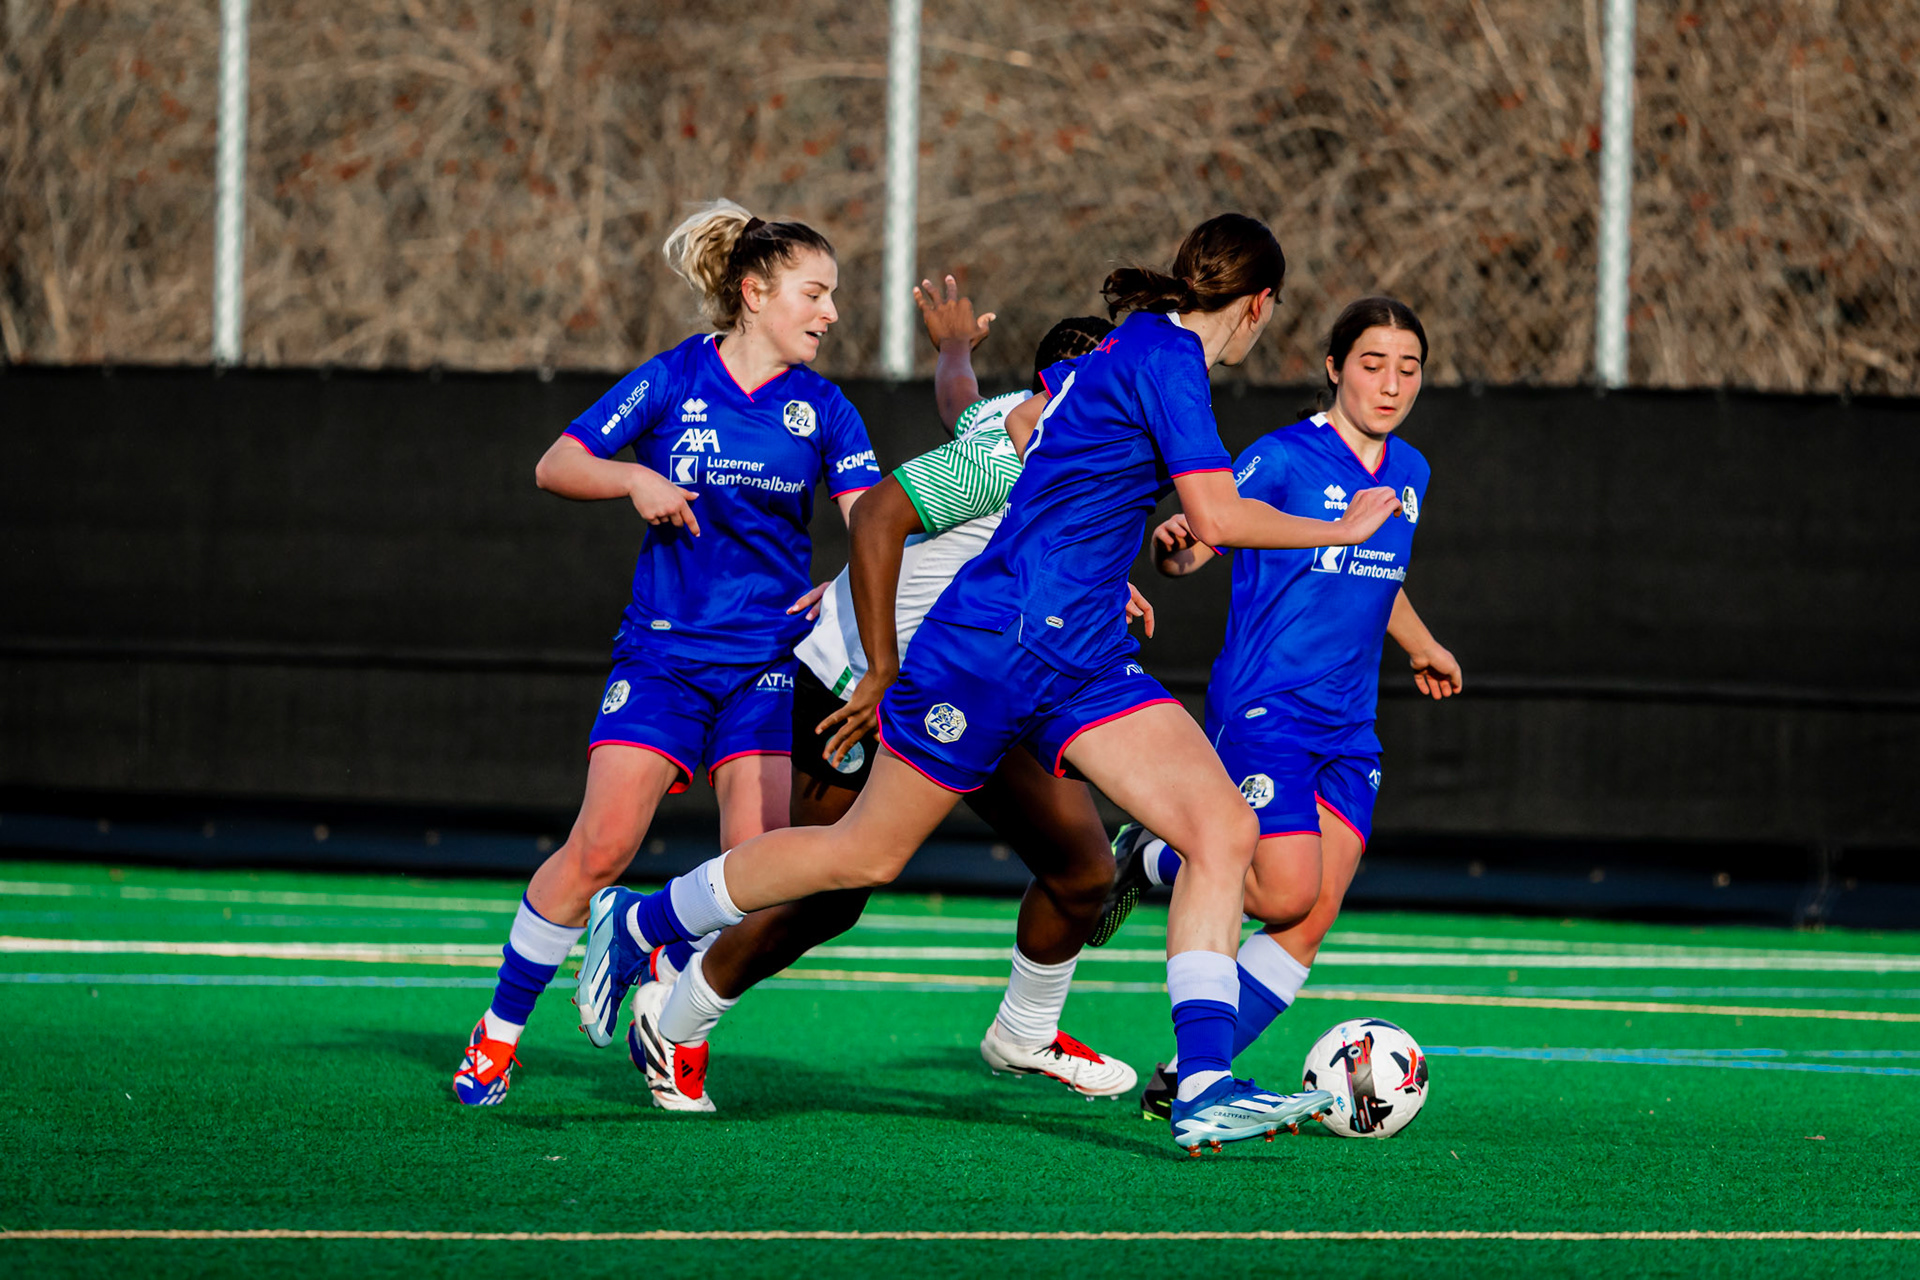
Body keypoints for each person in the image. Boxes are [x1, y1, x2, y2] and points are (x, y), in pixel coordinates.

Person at [576, 214, 1403, 1154]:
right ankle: (643, 918)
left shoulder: (1138, 346)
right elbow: (1215, 514)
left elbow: (1030, 441)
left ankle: (1204, 1083)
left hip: (1081, 657)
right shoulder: (1167, 358)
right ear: (1258, 305)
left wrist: (959, 359)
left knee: (1221, 830)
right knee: (861, 857)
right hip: (993, 646)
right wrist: (1340, 528)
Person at [625, 280, 1139, 1111]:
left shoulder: (1046, 437)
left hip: (972, 681)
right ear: (1061, 392)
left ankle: (1026, 1032)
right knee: (830, 894)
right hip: (858, 678)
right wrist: (878, 669)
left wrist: (954, 350)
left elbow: (962, 404)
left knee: (1082, 867)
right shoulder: (1011, 453)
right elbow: (877, 519)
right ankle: (672, 1001)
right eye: (1119, 382)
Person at [452, 200, 882, 1105]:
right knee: (600, 848)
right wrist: (633, 478)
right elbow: (555, 464)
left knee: (756, 879)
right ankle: (498, 1034)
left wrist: (851, 582)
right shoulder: (675, 378)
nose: (831, 313)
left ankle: (663, 987)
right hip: (663, 657)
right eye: (815, 293)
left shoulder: (827, 410)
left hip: (767, 668)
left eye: (832, 296)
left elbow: (877, 526)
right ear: (755, 293)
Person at [1087, 297, 1463, 1121]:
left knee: (1309, 918)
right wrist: (1177, 551)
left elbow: (1374, 573)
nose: (1391, 384)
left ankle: (1182, 1076)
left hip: (1349, 726)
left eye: (1408, 368)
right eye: (1372, 364)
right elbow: (1202, 540)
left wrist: (1420, 643)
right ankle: (1157, 856)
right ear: (1334, 368)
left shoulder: (1410, 471)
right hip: (1268, 708)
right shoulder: (1285, 456)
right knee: (1284, 891)